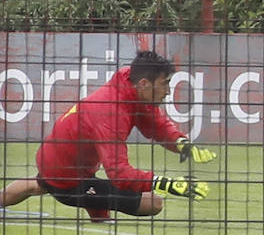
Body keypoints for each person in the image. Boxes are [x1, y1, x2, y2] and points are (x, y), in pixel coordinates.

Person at [1, 50, 215, 221]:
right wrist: (166, 183)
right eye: (165, 84)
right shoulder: (110, 113)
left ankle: (94, 203)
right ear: (144, 84)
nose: (168, 91)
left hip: (56, 162)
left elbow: (154, 123)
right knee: (154, 203)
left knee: (38, 184)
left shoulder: (127, 81)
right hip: (68, 179)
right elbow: (119, 173)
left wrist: (182, 143)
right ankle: (93, 202)